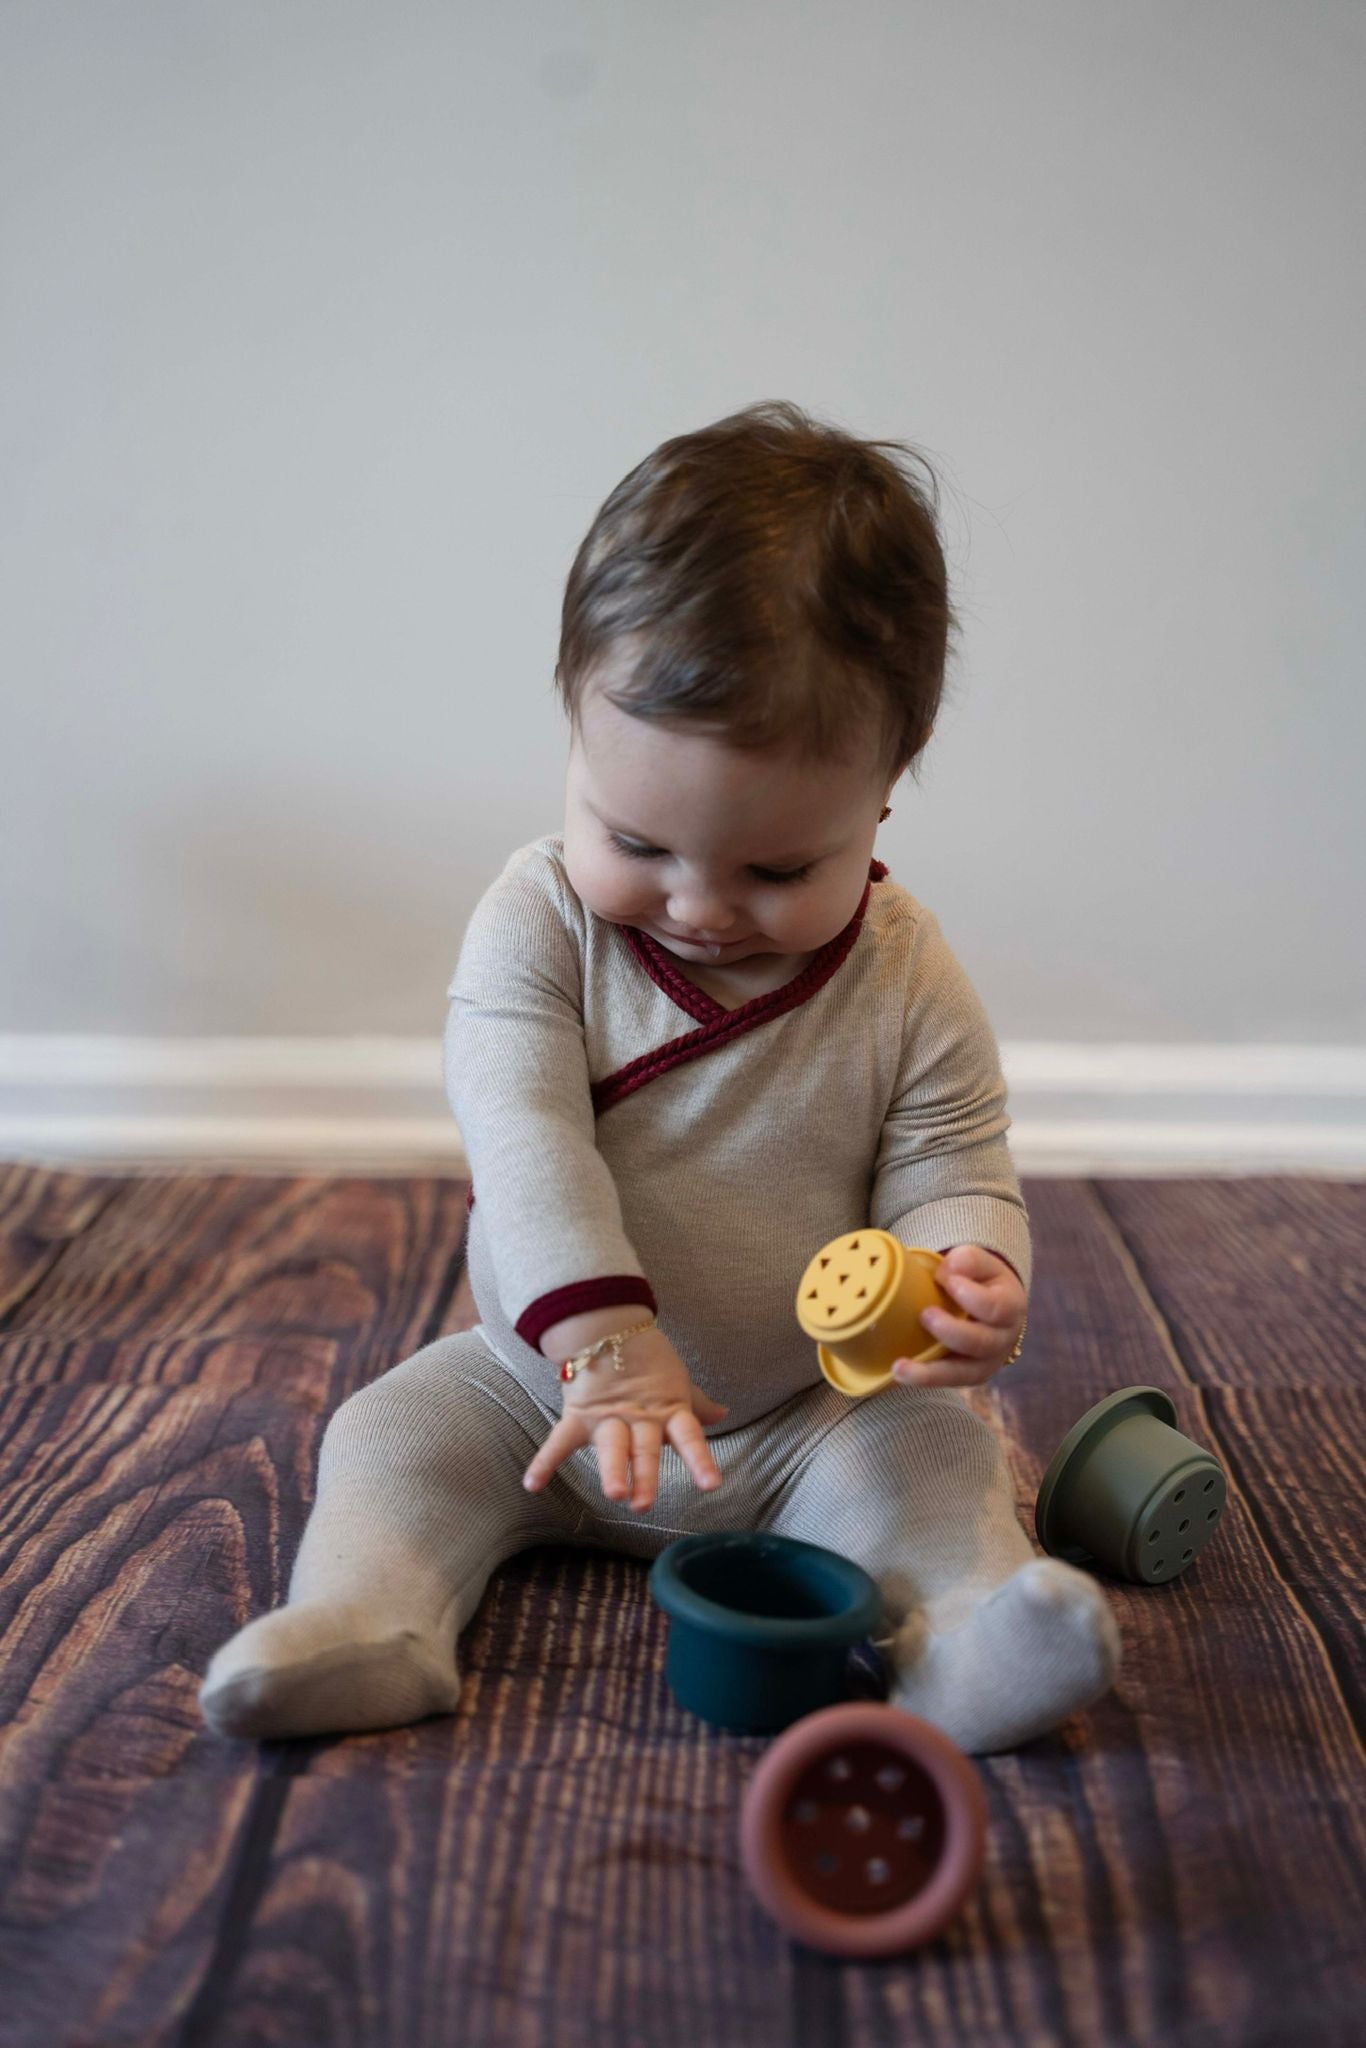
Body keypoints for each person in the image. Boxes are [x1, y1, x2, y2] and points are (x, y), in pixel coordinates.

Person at [200, 400, 1120, 1751]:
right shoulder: (537, 925)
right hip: (544, 1387)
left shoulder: (907, 975)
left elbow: (949, 1157)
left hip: (804, 1414)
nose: (695, 906)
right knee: (390, 1438)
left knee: (939, 1455)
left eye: (774, 870)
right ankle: (371, 1620)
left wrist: (967, 1273)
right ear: (571, 732)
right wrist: (604, 1350)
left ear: (882, 795)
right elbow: (523, 1136)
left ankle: (964, 1644)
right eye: (635, 838)